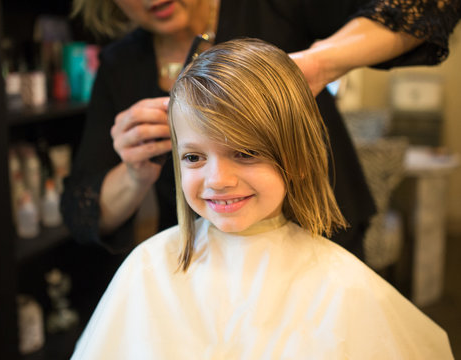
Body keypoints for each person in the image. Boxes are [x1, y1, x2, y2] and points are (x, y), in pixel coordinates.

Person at [70, 39, 454, 358]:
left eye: (245, 153)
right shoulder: (148, 269)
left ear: (297, 159)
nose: (217, 180)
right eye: (193, 157)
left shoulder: (343, 286)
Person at [62, 0, 460, 260]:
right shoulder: (118, 66)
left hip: (323, 232)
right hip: (211, 256)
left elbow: (428, 7)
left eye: (246, 150)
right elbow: (84, 214)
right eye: (194, 156)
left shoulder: (272, 7)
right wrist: (135, 172)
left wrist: (320, 63)